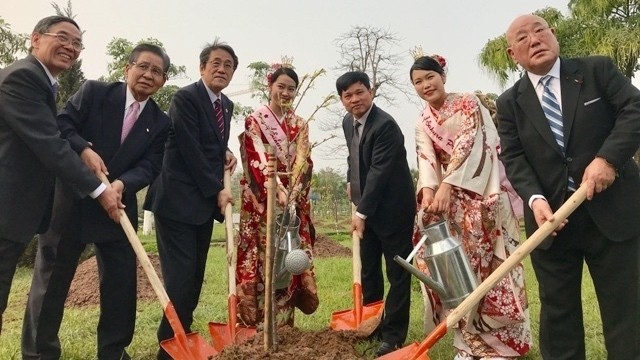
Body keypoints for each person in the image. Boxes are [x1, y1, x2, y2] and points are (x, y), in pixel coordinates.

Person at [498, 14, 640, 360]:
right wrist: (534, 199)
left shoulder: (596, 71)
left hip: (614, 215)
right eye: (523, 37)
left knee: (627, 313)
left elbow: (635, 108)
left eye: (540, 30)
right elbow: (514, 158)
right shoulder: (509, 103)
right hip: (552, 223)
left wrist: (608, 158)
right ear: (511, 53)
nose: (534, 39)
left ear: (553, 34)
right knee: (558, 316)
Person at [20, 43, 171, 360]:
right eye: (142, 66)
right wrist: (84, 150)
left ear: (164, 81)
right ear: (127, 68)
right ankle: (39, 352)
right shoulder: (95, 92)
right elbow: (63, 123)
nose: (148, 74)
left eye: (156, 71)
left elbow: (150, 165)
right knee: (51, 283)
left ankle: (113, 351)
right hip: (72, 201)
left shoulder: (160, 122)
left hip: (116, 209)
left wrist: (121, 184)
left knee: (121, 284)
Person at [0, 15, 120, 335]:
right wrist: (99, 190)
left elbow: (54, 136)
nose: (70, 47)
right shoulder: (23, 77)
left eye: (77, 43)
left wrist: (81, 148)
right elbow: (48, 144)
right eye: (62, 37)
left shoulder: (41, 83)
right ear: (36, 38)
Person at [410, 54, 531, 359]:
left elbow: (471, 145)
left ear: (443, 76)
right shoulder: (423, 121)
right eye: (418, 82)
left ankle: (504, 348)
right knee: (456, 274)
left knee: (495, 269)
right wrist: (428, 192)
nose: (426, 85)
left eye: (430, 77)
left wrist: (449, 185)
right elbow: (425, 158)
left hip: (483, 196)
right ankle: (468, 345)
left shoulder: (468, 103)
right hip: (450, 208)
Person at [144, 40, 237, 360]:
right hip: (176, 202)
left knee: (194, 281)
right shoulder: (186, 97)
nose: (222, 69)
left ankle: (180, 342)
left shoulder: (225, 105)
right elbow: (189, 149)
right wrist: (217, 190)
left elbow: (209, 144)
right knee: (180, 282)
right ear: (202, 67)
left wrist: (225, 152)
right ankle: (168, 350)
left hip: (200, 207)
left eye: (228, 65)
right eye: (216, 63)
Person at [337, 71, 415, 357]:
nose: (355, 99)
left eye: (360, 92)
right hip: (366, 208)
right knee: (369, 270)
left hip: (393, 211)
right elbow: (353, 156)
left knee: (397, 273)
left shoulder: (386, 126)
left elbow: (380, 173)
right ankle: (373, 323)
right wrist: (349, 180)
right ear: (342, 100)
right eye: (348, 96)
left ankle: (393, 335)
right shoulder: (348, 122)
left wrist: (362, 212)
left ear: (371, 92)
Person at [236, 65, 319, 327]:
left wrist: (292, 192)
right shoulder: (255, 120)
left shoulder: (300, 124)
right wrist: (276, 190)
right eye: (280, 86)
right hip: (262, 200)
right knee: (263, 256)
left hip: (292, 201)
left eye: (291, 89)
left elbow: (303, 161)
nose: (285, 92)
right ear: (269, 86)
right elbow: (257, 157)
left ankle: (284, 323)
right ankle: (256, 323)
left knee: (289, 256)